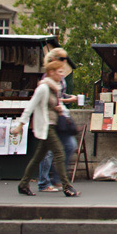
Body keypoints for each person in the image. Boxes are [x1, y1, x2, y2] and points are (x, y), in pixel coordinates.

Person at [11, 59, 80, 197]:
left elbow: (50, 107)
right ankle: (67, 187)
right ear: (51, 72)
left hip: (52, 125)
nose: (61, 75)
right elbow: (30, 106)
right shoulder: (43, 88)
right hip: (46, 126)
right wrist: (20, 125)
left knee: (38, 157)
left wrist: (58, 109)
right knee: (59, 153)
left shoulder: (54, 88)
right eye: (59, 72)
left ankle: (23, 184)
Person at [37, 48, 78, 192]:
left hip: (59, 118)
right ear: (53, 59)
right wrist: (64, 101)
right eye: (62, 59)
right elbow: (49, 99)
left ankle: (56, 179)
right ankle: (44, 182)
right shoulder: (47, 78)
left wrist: (68, 98)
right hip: (49, 119)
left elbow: (59, 94)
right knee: (47, 152)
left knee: (69, 145)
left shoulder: (60, 77)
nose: (65, 61)